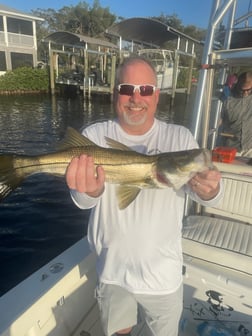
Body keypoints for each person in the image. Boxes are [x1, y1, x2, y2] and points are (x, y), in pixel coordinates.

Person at [66, 56, 222, 336]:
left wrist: (211, 191)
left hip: (163, 274)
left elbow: (202, 195)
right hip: (112, 270)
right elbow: (83, 201)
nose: (136, 98)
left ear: (156, 95)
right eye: (127, 88)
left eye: (145, 90)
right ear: (116, 93)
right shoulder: (95, 136)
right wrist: (91, 191)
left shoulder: (180, 138)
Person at [220, 71, 252, 157]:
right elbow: (218, 120)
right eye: (243, 90)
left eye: (249, 90)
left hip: (250, 148)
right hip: (231, 148)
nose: (245, 93)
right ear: (237, 85)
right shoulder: (227, 98)